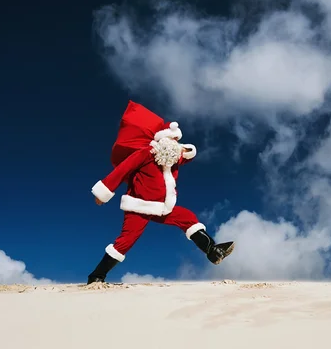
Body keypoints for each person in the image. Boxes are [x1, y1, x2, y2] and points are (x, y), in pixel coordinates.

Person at [86, 105, 234, 284]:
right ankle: (96, 276)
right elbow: (123, 169)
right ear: (161, 139)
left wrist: (189, 151)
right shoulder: (147, 153)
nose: (175, 144)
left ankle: (213, 250)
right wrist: (103, 192)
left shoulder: (171, 159)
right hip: (138, 206)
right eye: (171, 139)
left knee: (187, 217)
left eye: (176, 141)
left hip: (162, 207)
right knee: (126, 241)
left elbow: (186, 154)